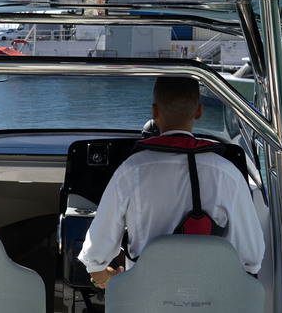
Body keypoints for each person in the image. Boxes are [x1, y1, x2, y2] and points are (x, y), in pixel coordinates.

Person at [77, 76, 265, 289]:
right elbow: (252, 258)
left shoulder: (131, 171)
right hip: (208, 298)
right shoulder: (227, 173)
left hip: (145, 298)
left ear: (154, 112)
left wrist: (105, 279)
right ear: (199, 112)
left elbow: (94, 257)